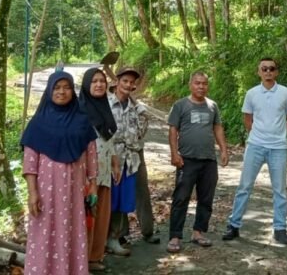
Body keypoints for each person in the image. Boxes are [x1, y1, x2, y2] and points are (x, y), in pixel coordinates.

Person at [21, 70, 98, 275]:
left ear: (73, 91)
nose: (61, 92)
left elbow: (91, 155)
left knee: (73, 232)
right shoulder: (38, 124)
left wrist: (93, 185)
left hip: (74, 193)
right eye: (56, 88)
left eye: (66, 87)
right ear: (49, 91)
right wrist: (32, 193)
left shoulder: (82, 122)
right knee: (43, 232)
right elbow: (30, 163)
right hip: (46, 193)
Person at [223, 57, 287, 245]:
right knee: (244, 186)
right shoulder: (252, 93)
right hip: (255, 145)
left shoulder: (285, 92)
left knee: (279, 190)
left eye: (271, 68)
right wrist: (257, 134)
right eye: (264, 69)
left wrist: (280, 132)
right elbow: (247, 118)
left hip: (278, 147)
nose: (268, 72)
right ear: (259, 72)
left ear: (276, 72)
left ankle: (280, 229)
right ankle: (234, 225)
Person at [166, 71, 229, 253]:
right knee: (181, 197)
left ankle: (198, 232)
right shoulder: (180, 105)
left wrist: (223, 149)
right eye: (197, 83)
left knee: (206, 198)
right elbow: (173, 130)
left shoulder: (212, 106)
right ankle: (175, 236)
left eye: (204, 83)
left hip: (208, 160)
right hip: (186, 159)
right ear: (190, 85)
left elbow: (217, 127)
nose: (201, 86)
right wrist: (174, 154)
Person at [79, 67, 128, 269]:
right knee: (87, 215)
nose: (99, 84)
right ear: (86, 85)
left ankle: (94, 257)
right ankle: (81, 260)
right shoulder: (79, 111)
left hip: (105, 169)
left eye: (102, 81)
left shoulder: (105, 107)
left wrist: (115, 162)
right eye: (94, 81)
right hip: (87, 173)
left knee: (102, 215)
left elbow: (109, 138)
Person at [107, 66, 157, 254]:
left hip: (134, 154)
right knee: (116, 195)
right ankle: (118, 235)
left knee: (141, 191)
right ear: (117, 82)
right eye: (125, 81)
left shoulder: (135, 107)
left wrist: (142, 115)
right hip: (114, 154)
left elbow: (140, 133)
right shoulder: (107, 104)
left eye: (131, 82)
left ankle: (148, 231)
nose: (128, 85)